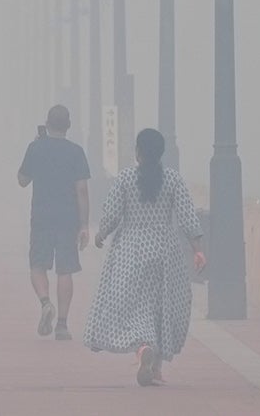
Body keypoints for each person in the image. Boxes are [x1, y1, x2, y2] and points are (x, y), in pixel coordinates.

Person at [84, 128, 206, 386]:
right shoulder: (172, 179)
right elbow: (187, 216)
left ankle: (142, 350)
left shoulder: (126, 178)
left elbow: (112, 213)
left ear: (138, 151)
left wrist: (101, 234)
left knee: (133, 306)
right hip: (165, 250)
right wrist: (197, 249)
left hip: (131, 249)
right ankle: (156, 368)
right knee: (162, 307)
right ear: (161, 152)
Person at [17, 104, 91, 341]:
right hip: (68, 218)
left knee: (38, 265)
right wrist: (84, 224)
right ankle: (62, 324)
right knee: (65, 269)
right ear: (67, 126)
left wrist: (35, 148)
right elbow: (81, 190)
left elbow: (22, 180)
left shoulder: (35, 148)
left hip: (41, 216)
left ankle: (45, 302)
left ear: (47, 124)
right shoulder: (76, 152)